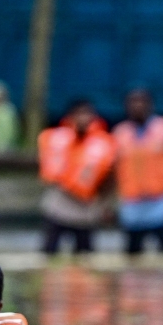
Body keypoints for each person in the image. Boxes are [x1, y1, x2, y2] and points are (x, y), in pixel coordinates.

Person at [111, 88, 163, 254]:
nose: (138, 106)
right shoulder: (120, 133)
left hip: (160, 201)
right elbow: (113, 171)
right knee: (133, 252)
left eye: (142, 102)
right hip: (132, 202)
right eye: (133, 102)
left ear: (151, 105)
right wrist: (111, 202)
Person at [37, 100, 117, 254]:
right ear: (70, 117)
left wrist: (105, 204)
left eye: (87, 114)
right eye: (79, 114)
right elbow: (47, 167)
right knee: (49, 251)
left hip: (85, 207)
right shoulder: (56, 138)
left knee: (84, 253)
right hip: (59, 202)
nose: (83, 118)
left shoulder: (104, 144)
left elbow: (110, 177)